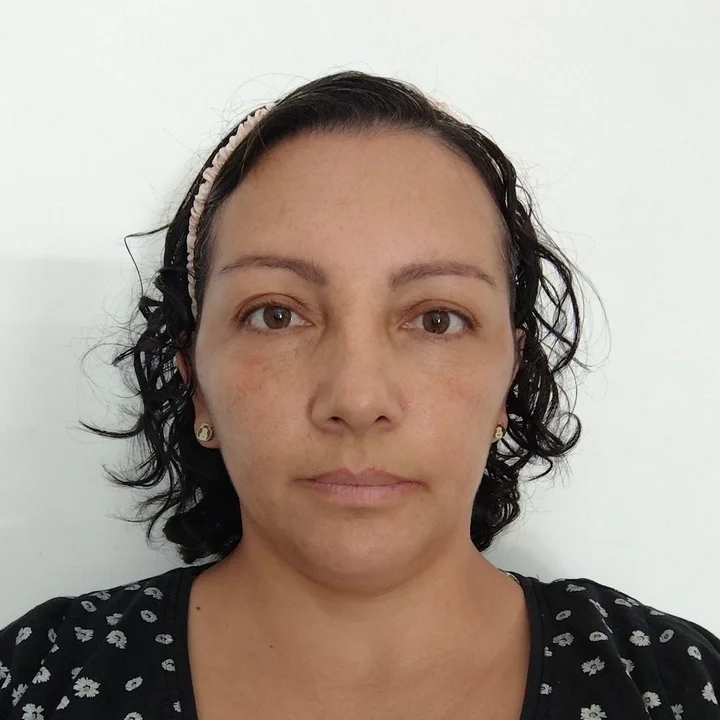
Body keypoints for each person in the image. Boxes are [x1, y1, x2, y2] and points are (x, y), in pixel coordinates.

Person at [1, 70, 718, 720]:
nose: (357, 397)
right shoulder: (37, 684)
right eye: (275, 315)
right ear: (196, 384)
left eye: (437, 319)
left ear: (511, 376)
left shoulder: (680, 688)